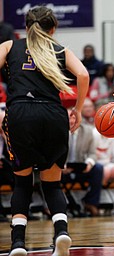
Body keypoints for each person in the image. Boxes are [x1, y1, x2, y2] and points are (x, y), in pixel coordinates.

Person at [0, 6, 89, 256]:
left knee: (22, 182)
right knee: (52, 184)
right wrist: (78, 110)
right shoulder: (60, 49)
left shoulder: (9, 46)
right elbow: (82, 74)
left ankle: (18, 243)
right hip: (53, 114)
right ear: (53, 28)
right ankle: (61, 232)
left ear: (26, 28)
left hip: (20, 114)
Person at [61, 109, 104, 217]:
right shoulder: (58, 131)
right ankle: (57, 206)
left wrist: (89, 163)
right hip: (61, 169)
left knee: (98, 168)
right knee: (49, 171)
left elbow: (92, 154)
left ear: (78, 118)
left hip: (80, 168)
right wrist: (61, 166)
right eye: (68, 117)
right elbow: (52, 152)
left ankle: (91, 203)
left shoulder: (88, 131)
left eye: (73, 117)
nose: (71, 120)